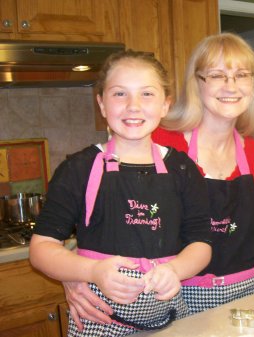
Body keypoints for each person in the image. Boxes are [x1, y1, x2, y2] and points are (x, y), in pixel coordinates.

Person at [61, 32, 254, 327]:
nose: (230, 85)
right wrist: (75, 274)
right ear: (197, 84)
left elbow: (246, 230)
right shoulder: (161, 143)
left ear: (253, 84)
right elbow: (106, 218)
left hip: (253, 291)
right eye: (216, 75)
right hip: (185, 299)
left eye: (241, 75)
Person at [29, 50, 212, 336]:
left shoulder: (182, 168)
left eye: (147, 94)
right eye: (119, 94)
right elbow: (41, 249)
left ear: (165, 105)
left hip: (171, 319)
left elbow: (202, 243)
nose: (133, 106)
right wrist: (93, 272)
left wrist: (176, 270)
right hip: (100, 323)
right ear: (102, 104)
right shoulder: (78, 168)